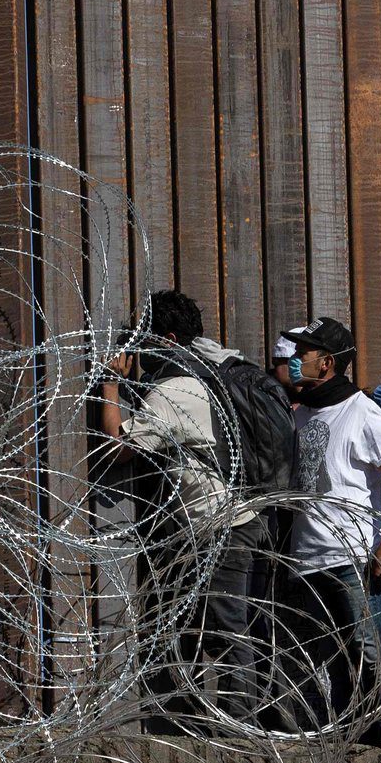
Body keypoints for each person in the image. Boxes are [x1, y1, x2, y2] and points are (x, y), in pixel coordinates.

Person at [97, 310, 259, 723]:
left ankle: (239, 723)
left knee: (224, 627)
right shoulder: (200, 380)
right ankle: (198, 718)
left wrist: (111, 384)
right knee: (192, 627)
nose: (131, 351)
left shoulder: (175, 391)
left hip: (218, 526)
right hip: (214, 525)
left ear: (166, 339)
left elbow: (118, 446)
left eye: (138, 341)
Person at [279, 317, 381, 735]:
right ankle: (346, 741)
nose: (295, 360)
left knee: (367, 658)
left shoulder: (361, 410)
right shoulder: (301, 414)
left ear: (328, 362)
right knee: (323, 659)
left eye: (304, 353)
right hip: (306, 558)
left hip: (350, 555)